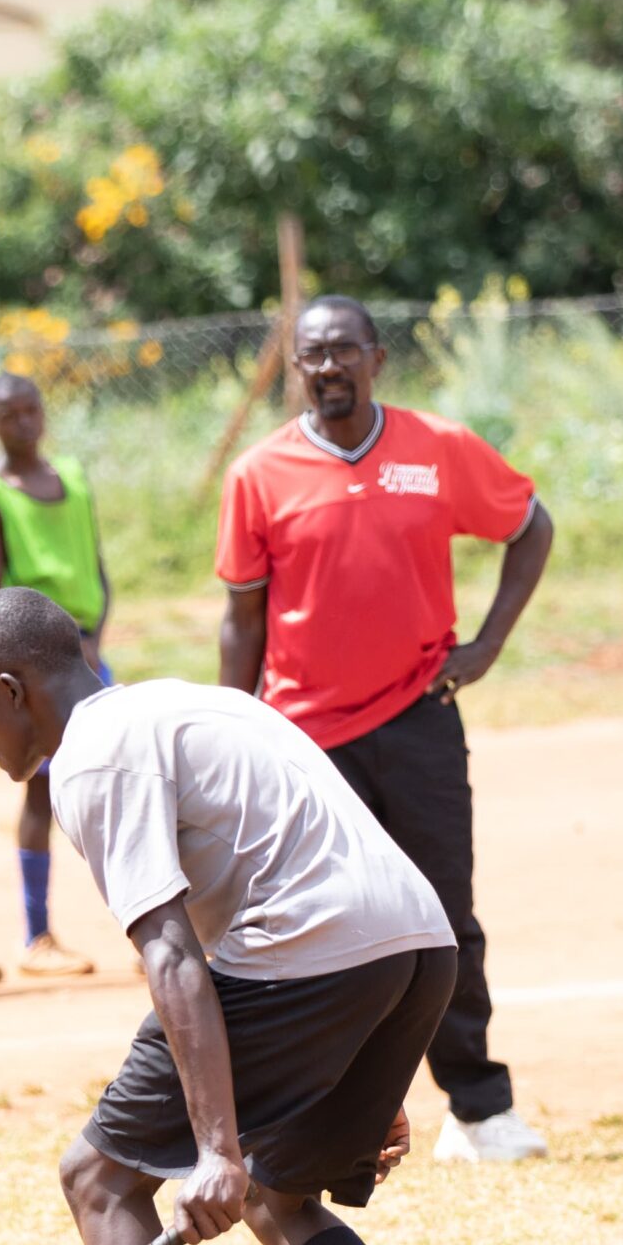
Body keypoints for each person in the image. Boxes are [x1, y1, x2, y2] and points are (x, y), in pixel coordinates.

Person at [0, 588, 501, 1245]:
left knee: (99, 1177)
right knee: (281, 1192)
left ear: (12, 686)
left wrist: (211, 1146)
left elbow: (170, 955)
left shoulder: (92, 757)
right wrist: (369, 1062)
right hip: (413, 942)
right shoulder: (190, 703)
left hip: (313, 949)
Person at [217, 295, 555, 1164]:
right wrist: (234, 727)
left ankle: (480, 1110)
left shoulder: (436, 448)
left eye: (341, 352)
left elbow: (530, 525)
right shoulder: (260, 473)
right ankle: (334, 1117)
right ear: (296, 369)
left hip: (417, 719)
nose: (325, 367)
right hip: (306, 736)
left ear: (376, 358)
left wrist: (485, 644)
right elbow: (242, 619)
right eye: (309, 356)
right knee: (323, 927)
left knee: (445, 915)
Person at [0, 373, 110, 978]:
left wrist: (93, 638)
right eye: (7, 414)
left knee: (114, 779)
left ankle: (147, 924)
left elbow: (97, 569)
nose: (22, 422)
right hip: (34, 663)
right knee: (43, 790)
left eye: (30, 409)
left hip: (88, 654)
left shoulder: (71, 478)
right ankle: (37, 934)